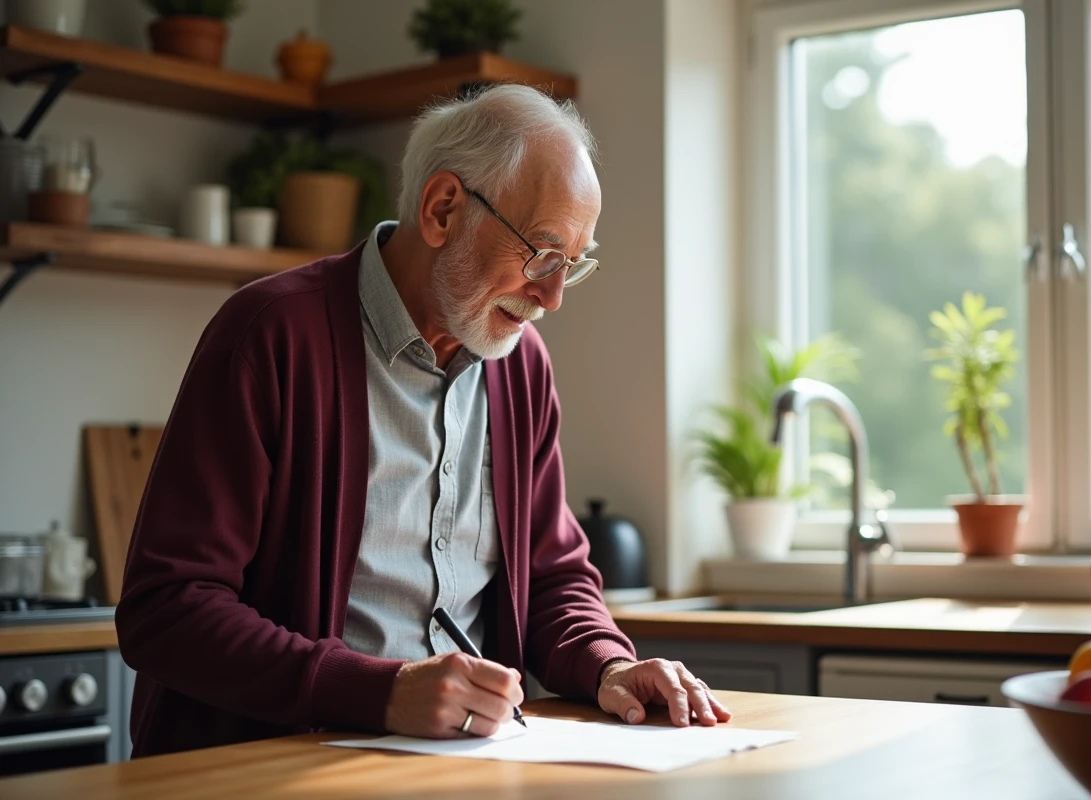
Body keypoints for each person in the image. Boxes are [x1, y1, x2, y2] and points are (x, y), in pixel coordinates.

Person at [116, 84, 731, 758]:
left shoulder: (521, 365)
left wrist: (609, 665)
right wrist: (378, 691)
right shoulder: (269, 334)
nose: (553, 297)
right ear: (443, 209)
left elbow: (553, 577)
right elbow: (166, 609)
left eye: (572, 266)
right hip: (268, 770)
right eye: (543, 254)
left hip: (459, 767)